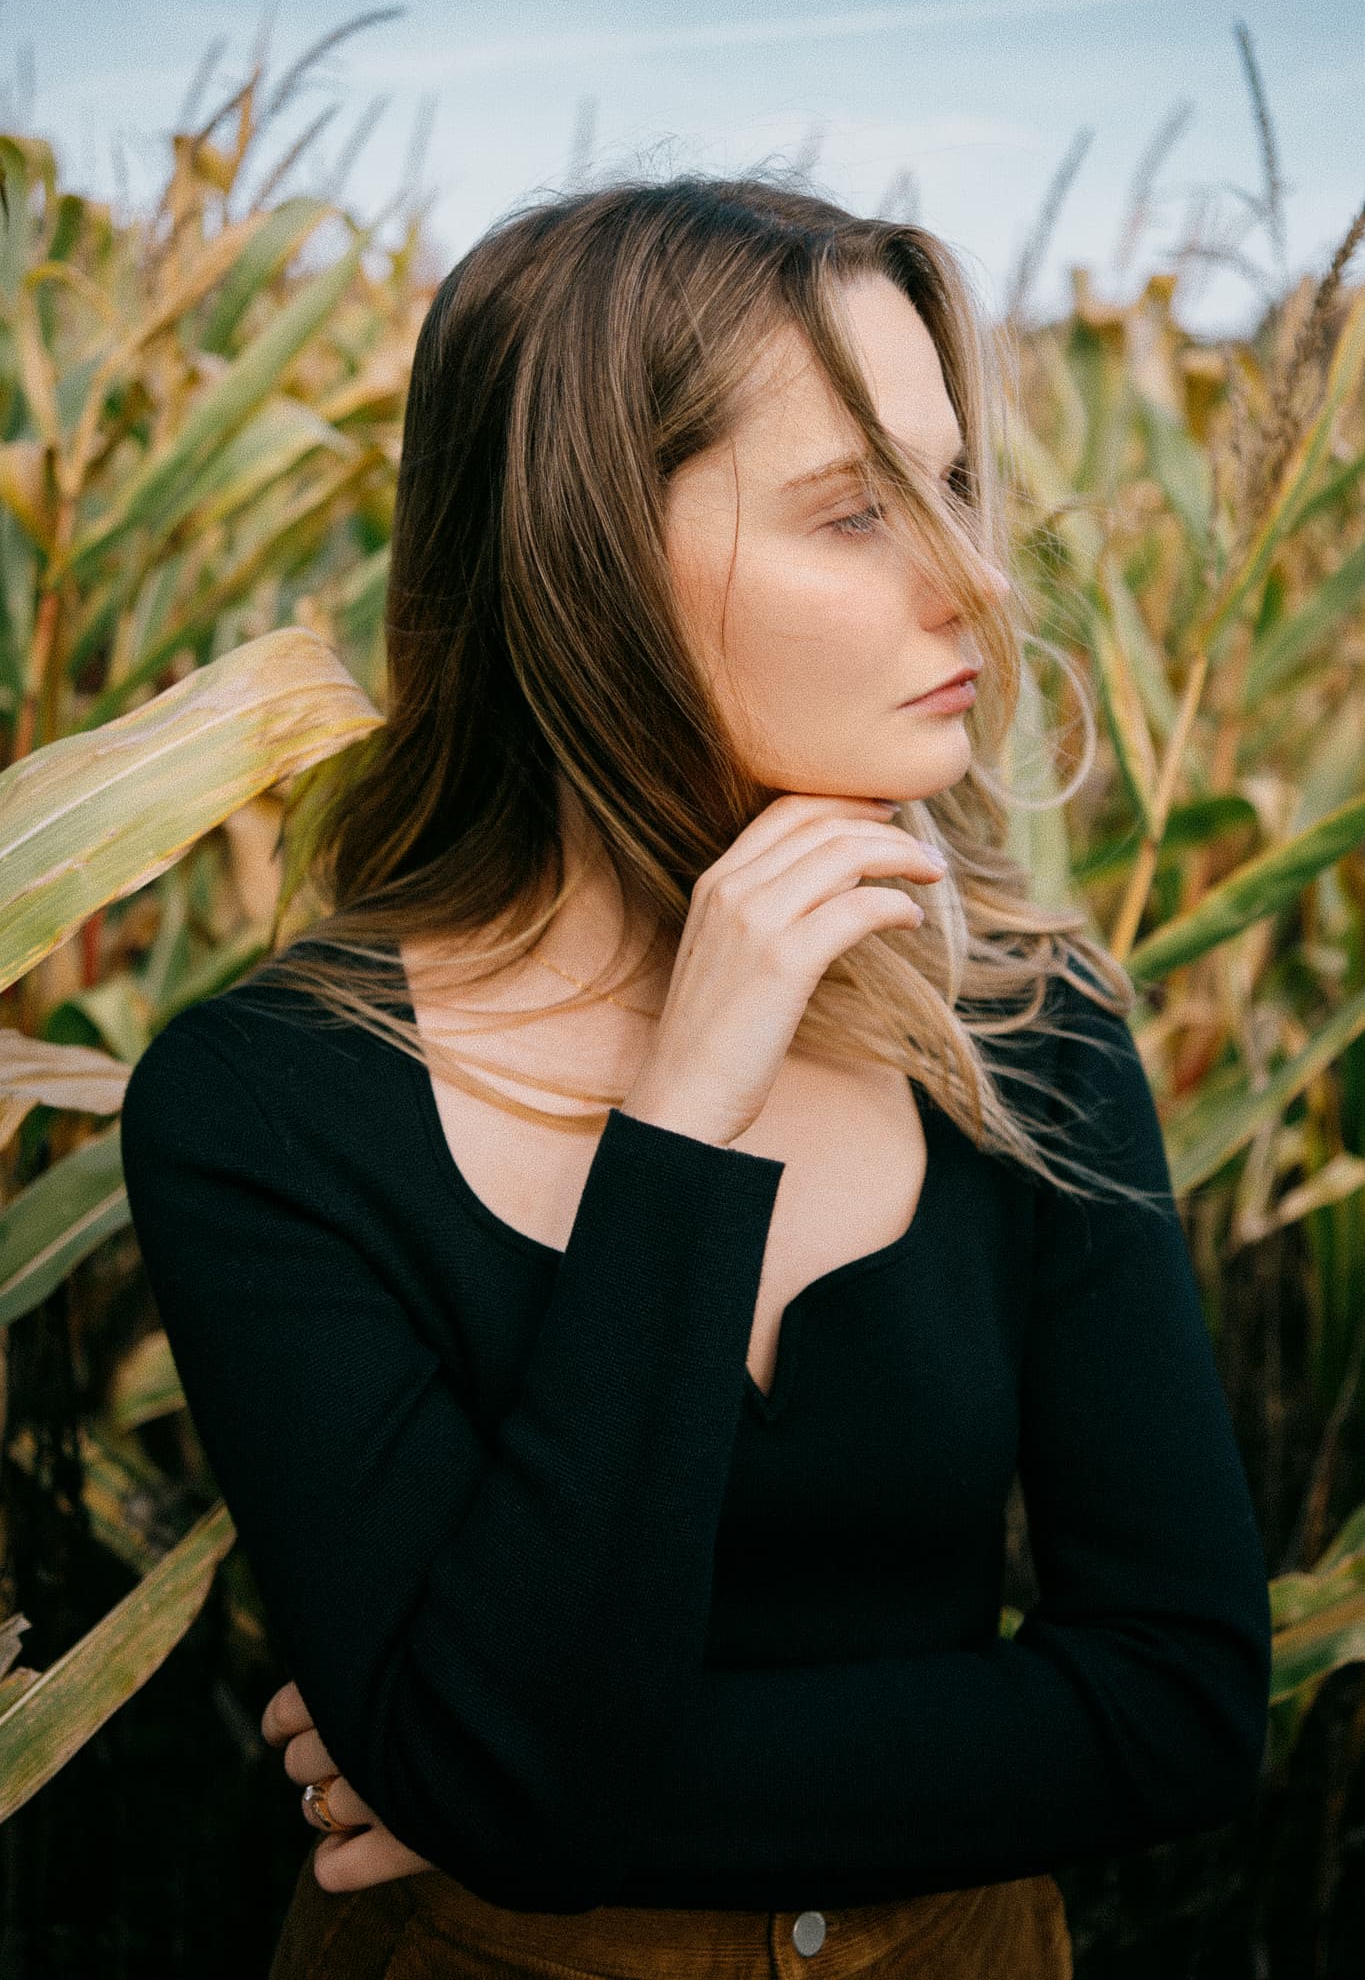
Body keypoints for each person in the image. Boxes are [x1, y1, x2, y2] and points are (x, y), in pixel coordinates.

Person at [118, 172, 1272, 1980]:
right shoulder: (266, 1110)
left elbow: (1185, 1704)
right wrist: (682, 1114)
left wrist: (516, 1793)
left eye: (950, 485)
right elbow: (518, 1758)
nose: (975, 577)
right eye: (847, 513)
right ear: (581, 566)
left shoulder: (1028, 1037)